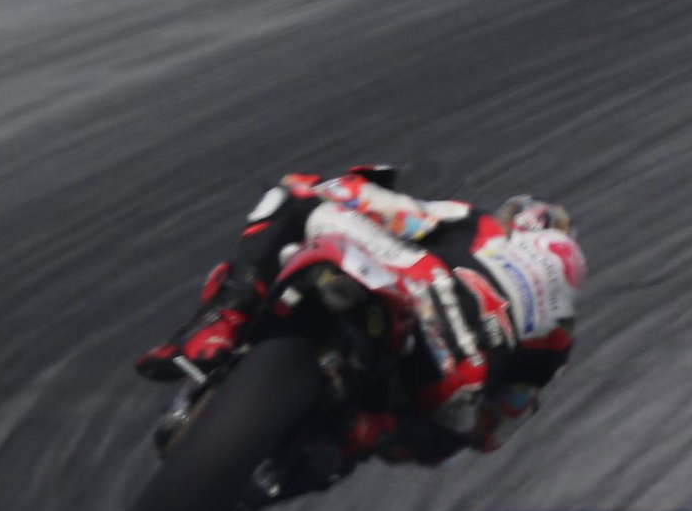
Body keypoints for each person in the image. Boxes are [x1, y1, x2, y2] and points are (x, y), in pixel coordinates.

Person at [135, 165, 585, 463]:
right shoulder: (558, 337)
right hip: (452, 375)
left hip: (415, 292)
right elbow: (493, 430)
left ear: (520, 224)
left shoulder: (480, 226)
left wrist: (343, 189)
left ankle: (222, 322)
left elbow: (392, 210)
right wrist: (401, 435)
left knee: (294, 195)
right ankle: (362, 432)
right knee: (436, 431)